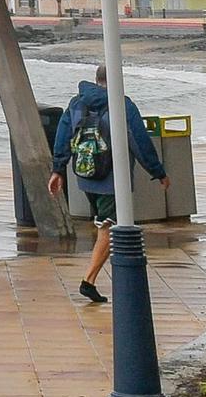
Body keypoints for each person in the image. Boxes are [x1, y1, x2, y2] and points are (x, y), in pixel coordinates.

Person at [48, 63, 168, 305]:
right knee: (111, 229)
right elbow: (139, 141)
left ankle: (92, 280)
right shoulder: (122, 104)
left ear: (96, 79)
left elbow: (63, 136)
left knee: (103, 225)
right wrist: (158, 171)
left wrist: (58, 169)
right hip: (113, 180)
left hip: (85, 176)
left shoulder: (76, 103)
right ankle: (89, 281)